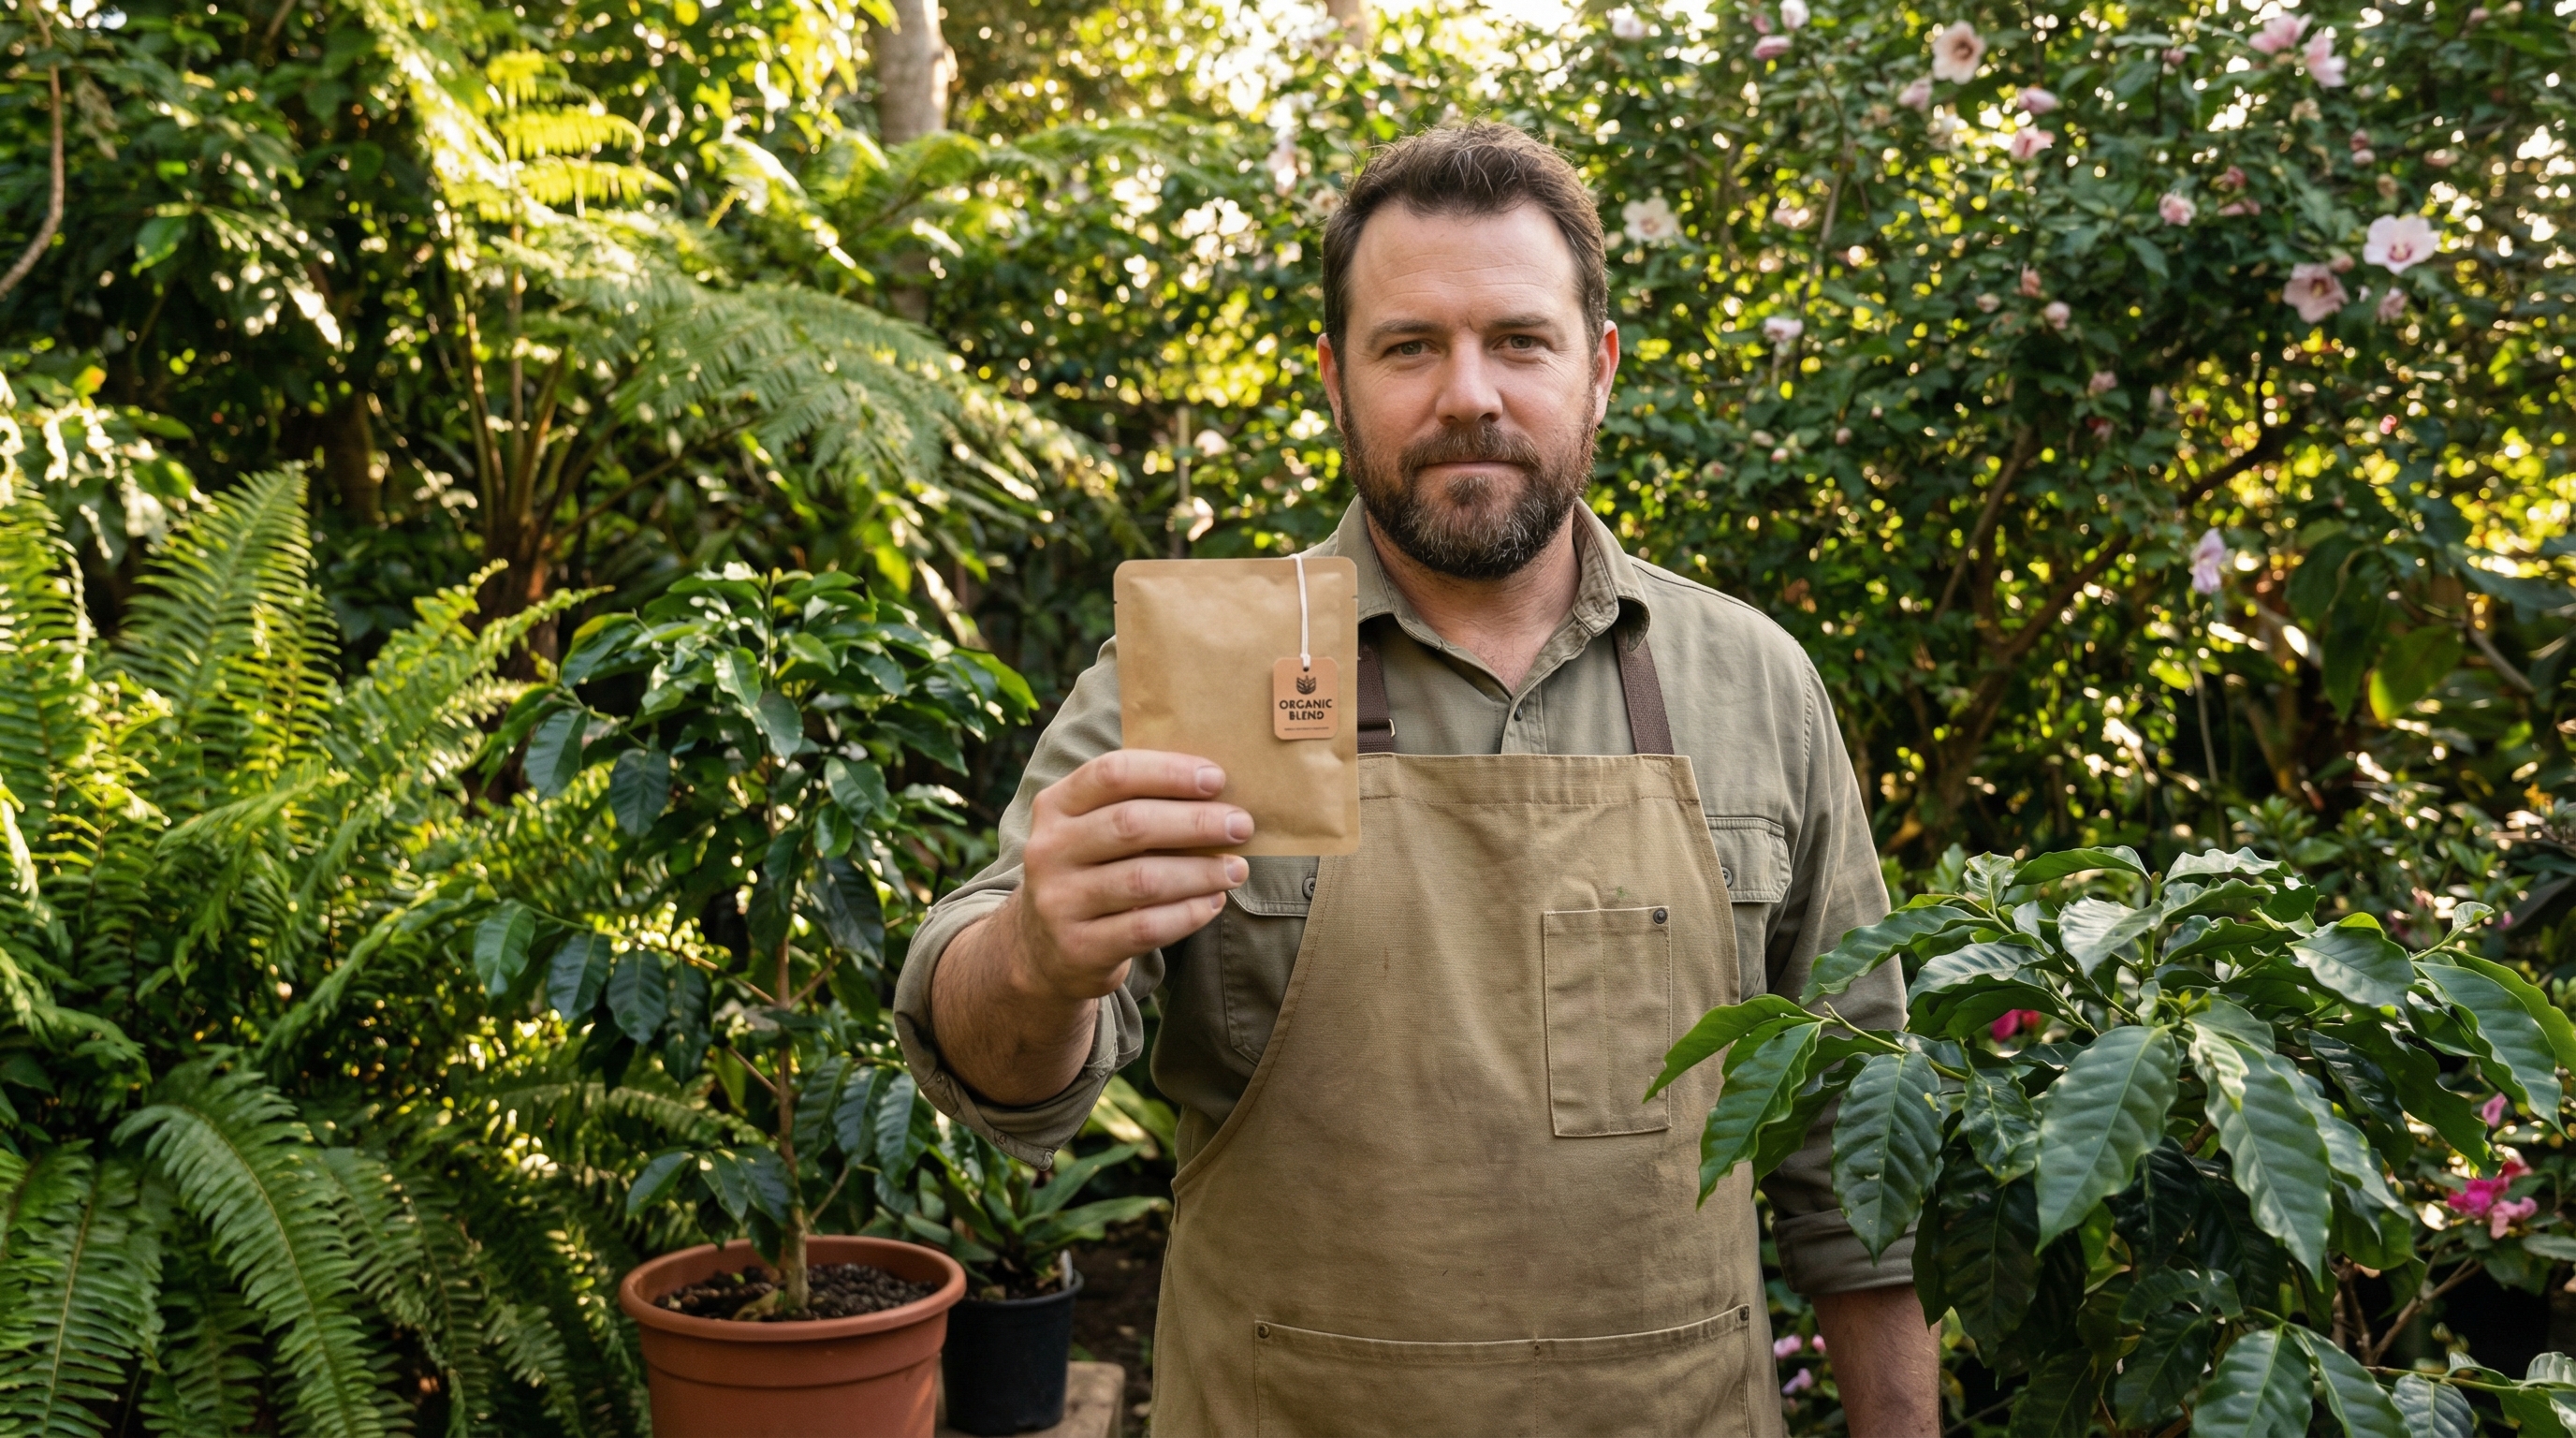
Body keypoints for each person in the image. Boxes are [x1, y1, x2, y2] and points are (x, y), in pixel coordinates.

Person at [894, 120, 1939, 1436]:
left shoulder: (1755, 685)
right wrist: (1041, 955)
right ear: (1336, 378)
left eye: (1519, 340)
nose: (1469, 395)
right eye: (1409, 346)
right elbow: (992, 1063)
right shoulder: (1201, 678)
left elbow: (1859, 1157)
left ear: (1598, 368)